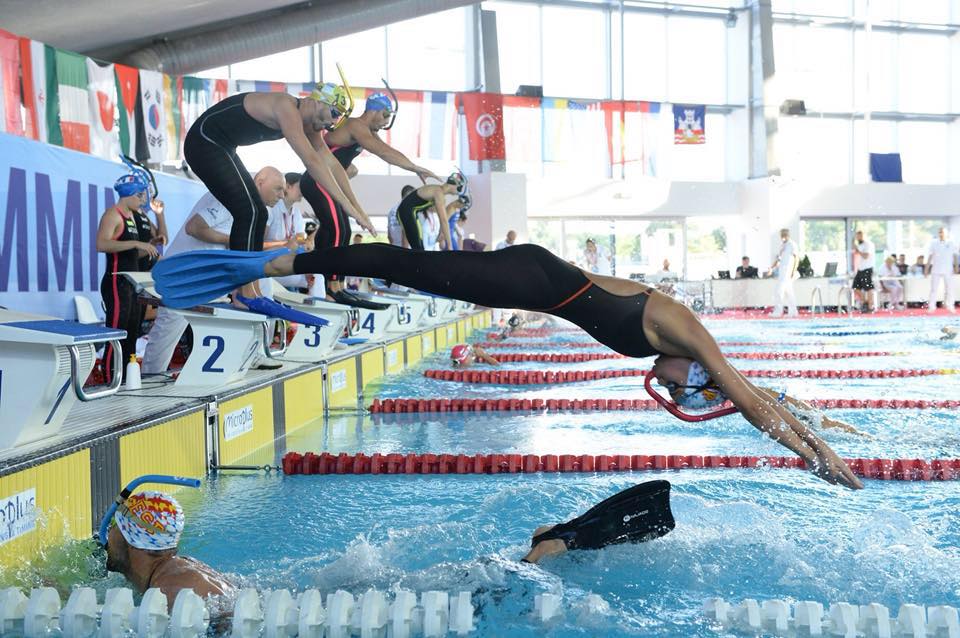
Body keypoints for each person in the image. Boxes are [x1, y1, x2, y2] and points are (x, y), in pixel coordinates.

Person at [153, 243, 866, 490]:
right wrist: (820, 454)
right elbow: (743, 397)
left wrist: (814, 421)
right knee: (408, 266)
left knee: (411, 270)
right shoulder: (681, 326)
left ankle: (276, 263)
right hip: (534, 278)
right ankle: (270, 262)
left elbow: (749, 390)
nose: (671, 388)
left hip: (537, 285)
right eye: (683, 388)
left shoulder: (685, 350)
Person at [182, 81, 376, 304]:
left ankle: (250, 290)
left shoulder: (310, 125)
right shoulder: (287, 107)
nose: (333, 123)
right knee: (249, 212)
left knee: (258, 213)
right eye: (333, 113)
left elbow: (332, 164)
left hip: (222, 146)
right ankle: (242, 292)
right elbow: (312, 161)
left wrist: (358, 209)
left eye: (338, 118)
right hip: (203, 141)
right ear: (315, 101)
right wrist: (345, 205)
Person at [301, 92, 438, 304]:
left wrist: (412, 165)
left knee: (341, 230)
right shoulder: (356, 126)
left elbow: (388, 150)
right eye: (384, 115)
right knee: (338, 230)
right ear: (373, 111)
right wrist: (414, 167)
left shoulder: (366, 131)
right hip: (316, 180)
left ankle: (331, 283)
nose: (385, 122)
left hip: (326, 181)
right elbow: (382, 152)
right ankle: (331, 287)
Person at [142, 168, 284, 374]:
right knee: (167, 335)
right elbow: (195, 228)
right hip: (184, 276)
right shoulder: (230, 196)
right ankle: (147, 385)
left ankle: (248, 355)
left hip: (207, 279)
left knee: (218, 329)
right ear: (260, 181)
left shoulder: (256, 210)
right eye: (278, 188)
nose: (281, 195)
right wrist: (238, 239)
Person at [651, 356, 863, 435]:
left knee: (824, 424)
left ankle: (865, 437)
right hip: (774, 403)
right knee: (824, 424)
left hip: (779, 405)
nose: (661, 382)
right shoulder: (725, 386)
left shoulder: (738, 394)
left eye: (672, 386)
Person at [103, 490, 233, 611]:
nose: (109, 530)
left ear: (132, 537)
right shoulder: (182, 566)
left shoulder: (170, 591)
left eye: (115, 522)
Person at [96, 171, 161, 383]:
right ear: (129, 194)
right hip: (115, 281)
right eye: (140, 195)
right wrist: (135, 244)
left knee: (131, 332)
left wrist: (148, 249)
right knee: (117, 333)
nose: (143, 200)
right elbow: (102, 244)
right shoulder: (112, 215)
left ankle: (125, 379)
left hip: (130, 283)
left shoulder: (131, 217)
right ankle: (109, 380)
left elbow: (130, 252)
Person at [522, 481, 674, 564]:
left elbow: (543, 548)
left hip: (597, 529)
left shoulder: (544, 545)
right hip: (587, 524)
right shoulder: (541, 534)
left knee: (548, 544)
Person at [395, 172, 467, 250]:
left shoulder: (437, 191)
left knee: (419, 248)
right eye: (460, 187)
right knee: (418, 250)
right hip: (406, 212)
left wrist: (440, 234)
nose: (460, 191)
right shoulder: (439, 193)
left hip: (409, 212)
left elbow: (439, 215)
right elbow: (443, 220)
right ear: (454, 185)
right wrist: (450, 246)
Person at [768, 228, 798, 317]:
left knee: (779, 290)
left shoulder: (792, 244)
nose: (782, 237)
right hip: (782, 270)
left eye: (784, 234)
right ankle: (793, 312)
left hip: (788, 270)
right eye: (781, 235)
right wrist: (771, 268)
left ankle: (778, 311)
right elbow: (778, 259)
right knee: (789, 292)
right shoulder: (782, 245)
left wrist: (794, 270)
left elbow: (796, 258)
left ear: (788, 235)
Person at [927, 226, 957, 314]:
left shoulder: (951, 243)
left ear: (946, 233)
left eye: (942, 232)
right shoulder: (934, 243)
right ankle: (932, 306)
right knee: (933, 289)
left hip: (948, 268)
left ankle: (950, 306)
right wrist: (927, 268)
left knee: (949, 288)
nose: (941, 234)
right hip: (936, 268)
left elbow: (954, 255)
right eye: (940, 232)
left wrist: (956, 267)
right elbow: (930, 256)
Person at [850, 230, 875, 313]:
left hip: (867, 268)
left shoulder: (868, 244)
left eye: (860, 236)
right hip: (860, 269)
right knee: (855, 287)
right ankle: (865, 302)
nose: (858, 238)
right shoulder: (861, 245)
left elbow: (865, 256)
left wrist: (858, 250)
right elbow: (857, 253)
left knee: (869, 288)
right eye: (857, 236)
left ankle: (870, 306)